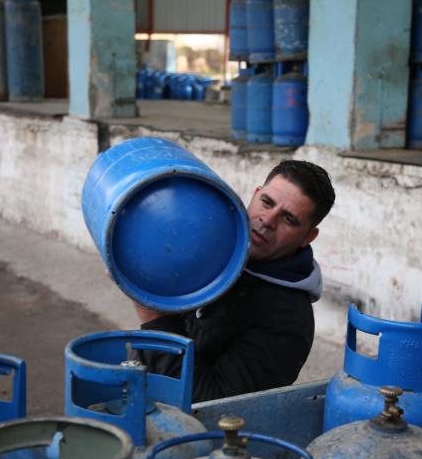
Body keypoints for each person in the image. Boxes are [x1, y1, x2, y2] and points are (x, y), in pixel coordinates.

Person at [135, 159, 336, 402]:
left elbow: (216, 405)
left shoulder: (287, 321)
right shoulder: (217, 250)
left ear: (308, 237)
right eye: (267, 202)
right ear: (255, 195)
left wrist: (155, 320)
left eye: (288, 219)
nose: (268, 220)